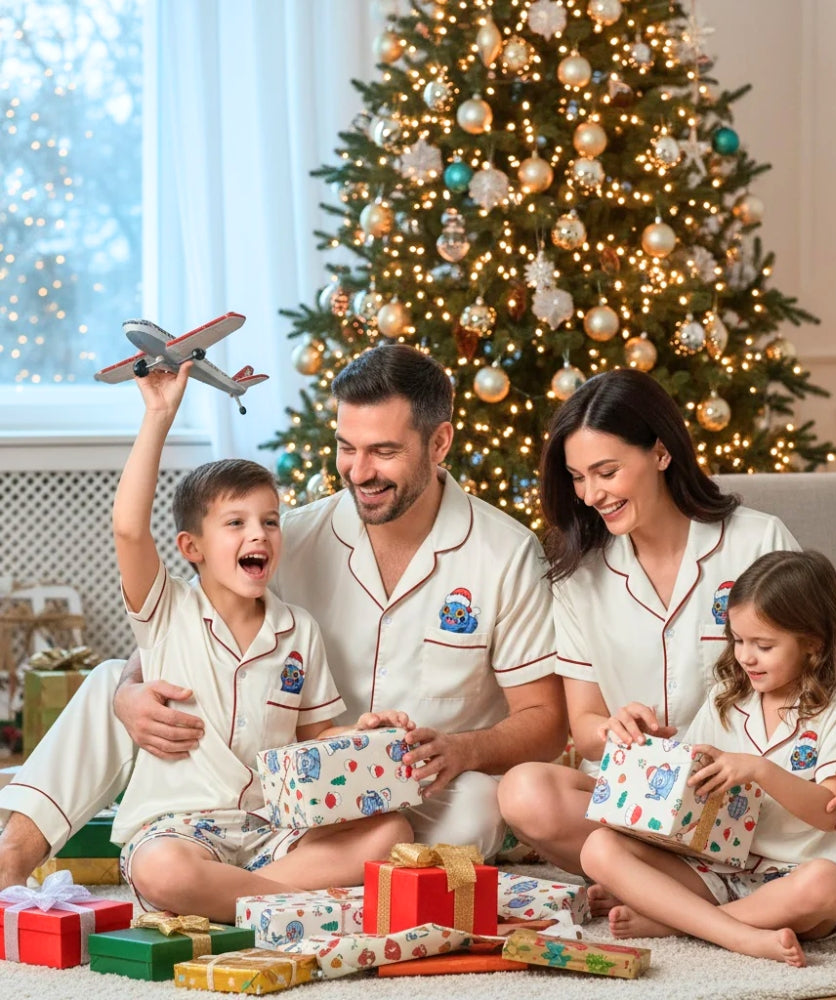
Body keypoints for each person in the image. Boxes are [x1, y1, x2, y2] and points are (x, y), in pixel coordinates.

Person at [0, 344, 566, 889]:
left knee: (473, 811)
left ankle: (220, 883)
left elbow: (545, 719)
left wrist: (461, 751)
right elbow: (185, 636)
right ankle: (14, 856)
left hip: (419, 785)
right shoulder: (286, 537)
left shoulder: (504, 554)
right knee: (106, 683)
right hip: (282, 789)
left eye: (384, 452)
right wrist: (130, 690)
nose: (359, 470)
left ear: (439, 442)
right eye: (347, 447)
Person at [497, 368, 836, 904]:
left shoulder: (756, 538)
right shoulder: (580, 576)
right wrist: (614, 728)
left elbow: (826, 654)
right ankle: (729, 894)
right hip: (646, 800)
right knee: (524, 792)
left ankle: (694, 892)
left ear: (661, 453)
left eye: (606, 472)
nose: (591, 494)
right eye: (577, 477)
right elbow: (585, 726)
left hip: (762, 802)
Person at [109, 361, 411, 920]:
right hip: (180, 828)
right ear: (191, 547)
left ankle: (239, 899)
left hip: (273, 828)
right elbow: (129, 529)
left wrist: (362, 735)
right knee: (163, 869)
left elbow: (316, 737)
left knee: (391, 829)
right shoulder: (166, 609)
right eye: (236, 523)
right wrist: (158, 415)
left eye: (270, 522)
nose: (259, 534)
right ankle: (284, 901)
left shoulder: (299, 630)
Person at [581, 549, 836, 966]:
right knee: (598, 847)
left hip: (795, 878)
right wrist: (651, 752)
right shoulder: (726, 696)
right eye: (737, 640)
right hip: (718, 872)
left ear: (812, 644)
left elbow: (830, 812)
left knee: (827, 885)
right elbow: (690, 785)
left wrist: (758, 769)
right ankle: (736, 932)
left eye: (764, 645)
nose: (745, 656)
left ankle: (681, 923)